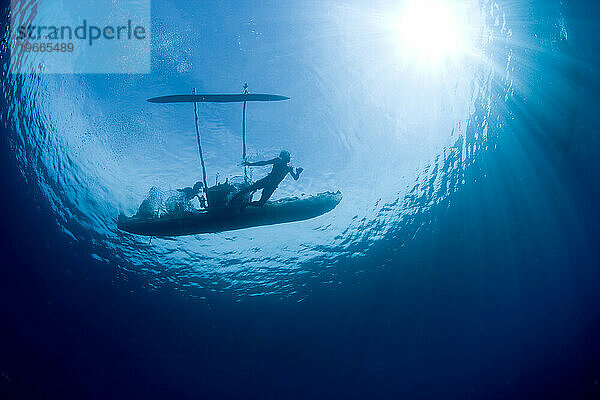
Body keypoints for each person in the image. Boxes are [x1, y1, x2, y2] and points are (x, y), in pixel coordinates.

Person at [231, 150, 303, 206]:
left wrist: (298, 173)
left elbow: (295, 178)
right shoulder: (277, 160)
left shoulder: (289, 168)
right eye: (288, 156)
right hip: (266, 180)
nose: (290, 157)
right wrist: (250, 164)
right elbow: (264, 163)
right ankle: (232, 200)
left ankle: (244, 205)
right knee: (248, 189)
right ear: (284, 157)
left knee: (261, 203)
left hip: (272, 186)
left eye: (289, 156)